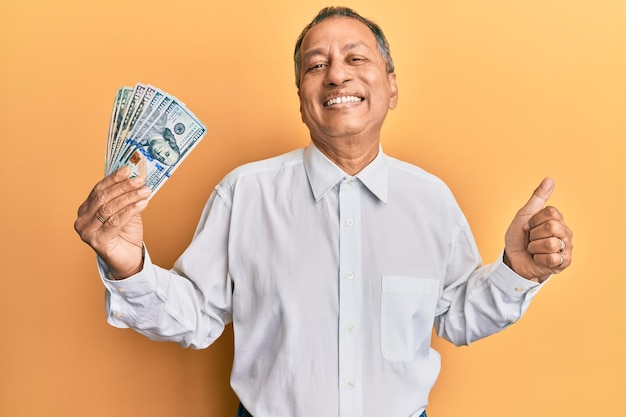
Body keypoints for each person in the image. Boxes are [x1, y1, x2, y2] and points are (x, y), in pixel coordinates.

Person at [74, 6, 573, 417]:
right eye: (316, 65)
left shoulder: (432, 201)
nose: (336, 74)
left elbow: (458, 318)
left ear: (391, 87)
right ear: (301, 98)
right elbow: (195, 318)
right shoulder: (244, 194)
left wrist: (516, 273)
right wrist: (128, 264)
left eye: (356, 58)